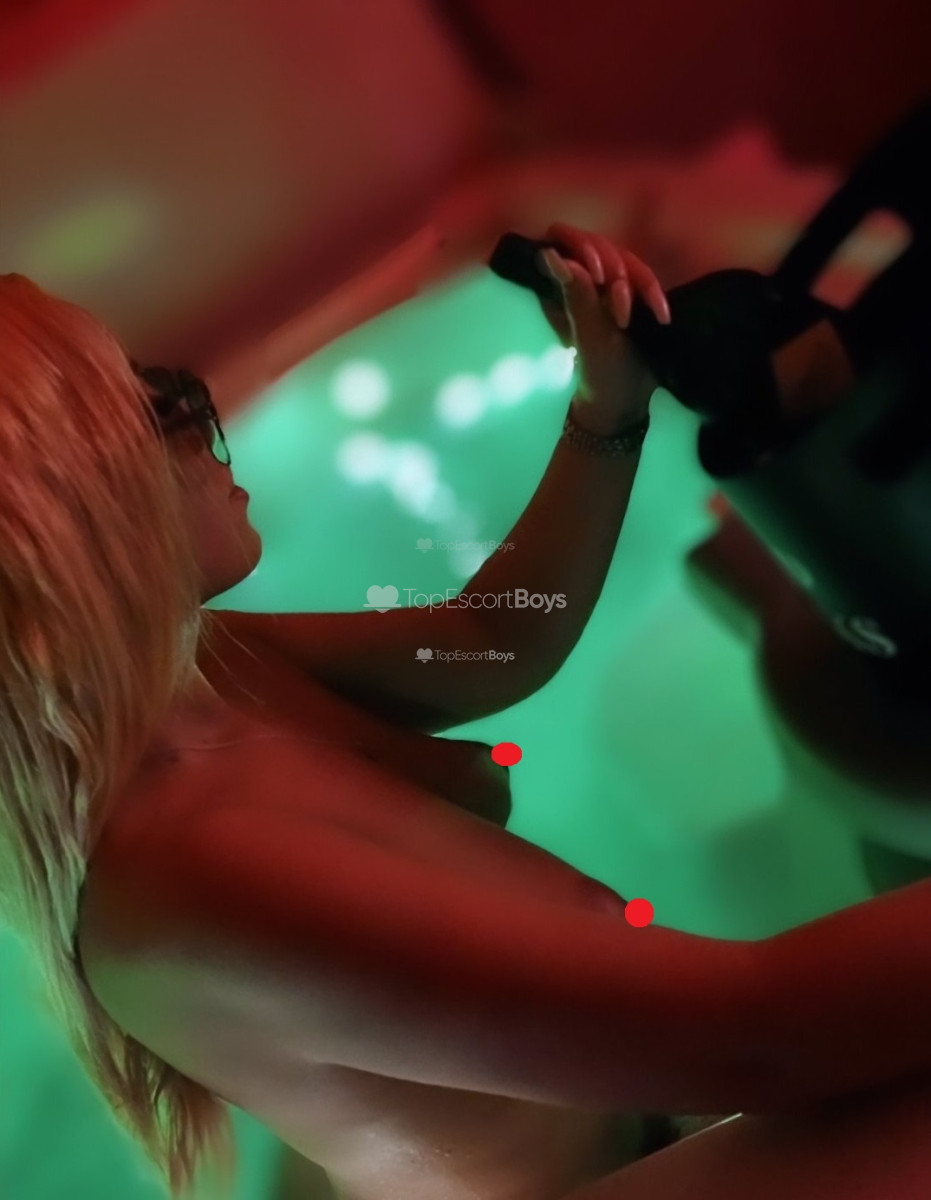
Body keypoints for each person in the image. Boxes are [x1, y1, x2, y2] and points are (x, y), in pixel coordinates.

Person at [1, 223, 930, 1200]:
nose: (200, 414)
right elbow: (750, 1038)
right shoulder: (197, 872)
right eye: (149, 407)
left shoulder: (212, 674)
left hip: (651, 1109)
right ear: (63, 525)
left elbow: (490, 636)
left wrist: (606, 409)